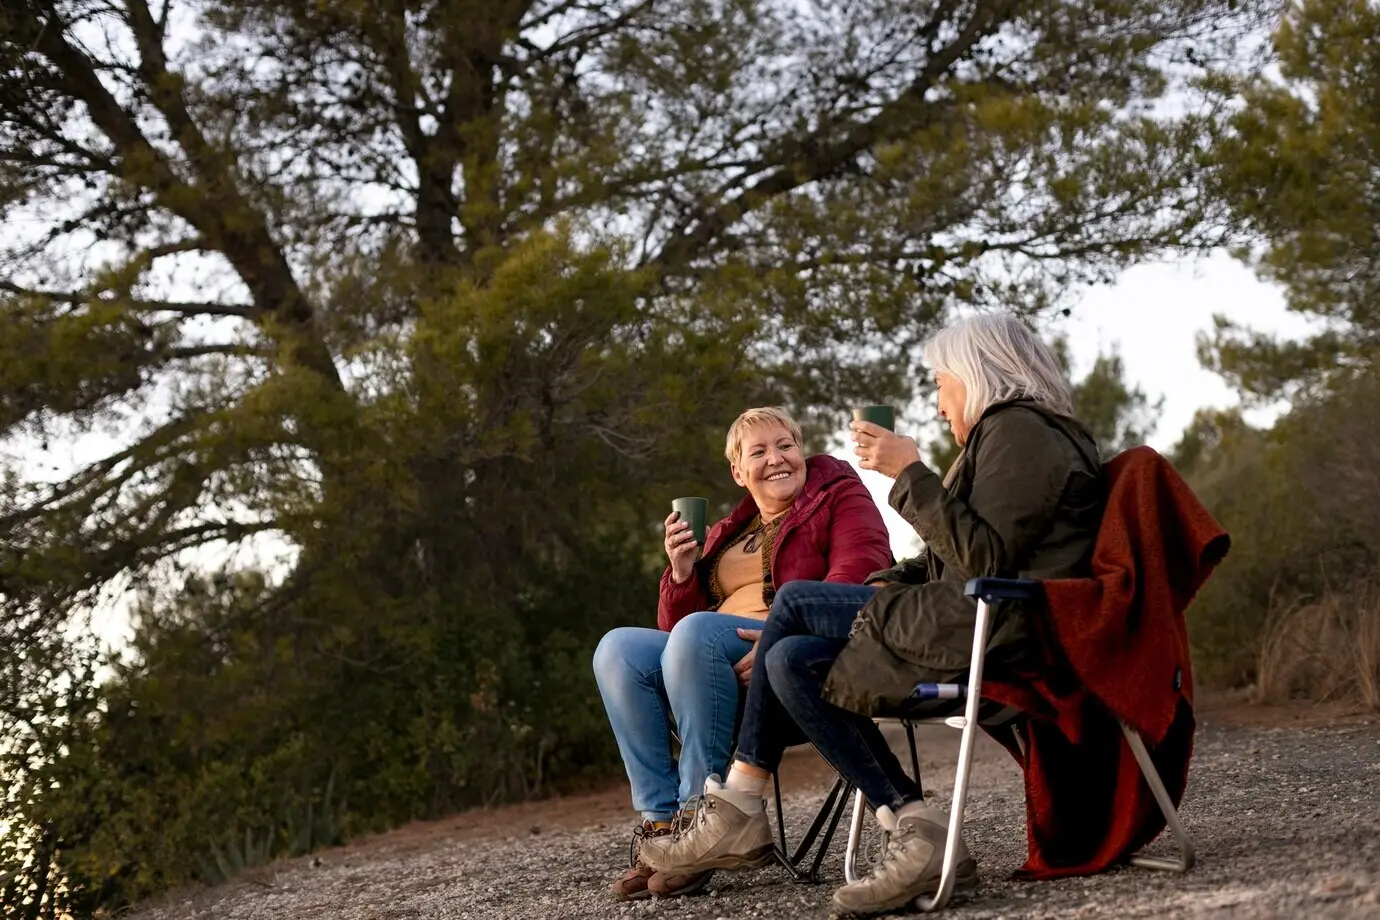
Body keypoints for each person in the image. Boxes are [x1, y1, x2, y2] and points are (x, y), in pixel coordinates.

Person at [640, 313, 1107, 916]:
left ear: (977, 373)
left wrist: (909, 473)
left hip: (996, 626)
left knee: (796, 602)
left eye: (941, 383)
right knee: (790, 659)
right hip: (966, 614)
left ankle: (740, 801)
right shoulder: (1007, 435)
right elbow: (954, 556)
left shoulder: (1021, 431)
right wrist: (891, 579)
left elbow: (986, 560)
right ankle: (914, 825)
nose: (939, 402)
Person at [592, 406, 893, 901]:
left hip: (793, 656)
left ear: (802, 452)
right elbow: (674, 634)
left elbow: (858, 574)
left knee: (696, 634)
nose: (776, 458)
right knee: (618, 649)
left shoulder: (838, 495)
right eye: (759, 451)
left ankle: (701, 821)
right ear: (738, 471)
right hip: (710, 658)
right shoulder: (731, 529)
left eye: (786, 446)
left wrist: (780, 631)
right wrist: (683, 573)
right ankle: (661, 825)